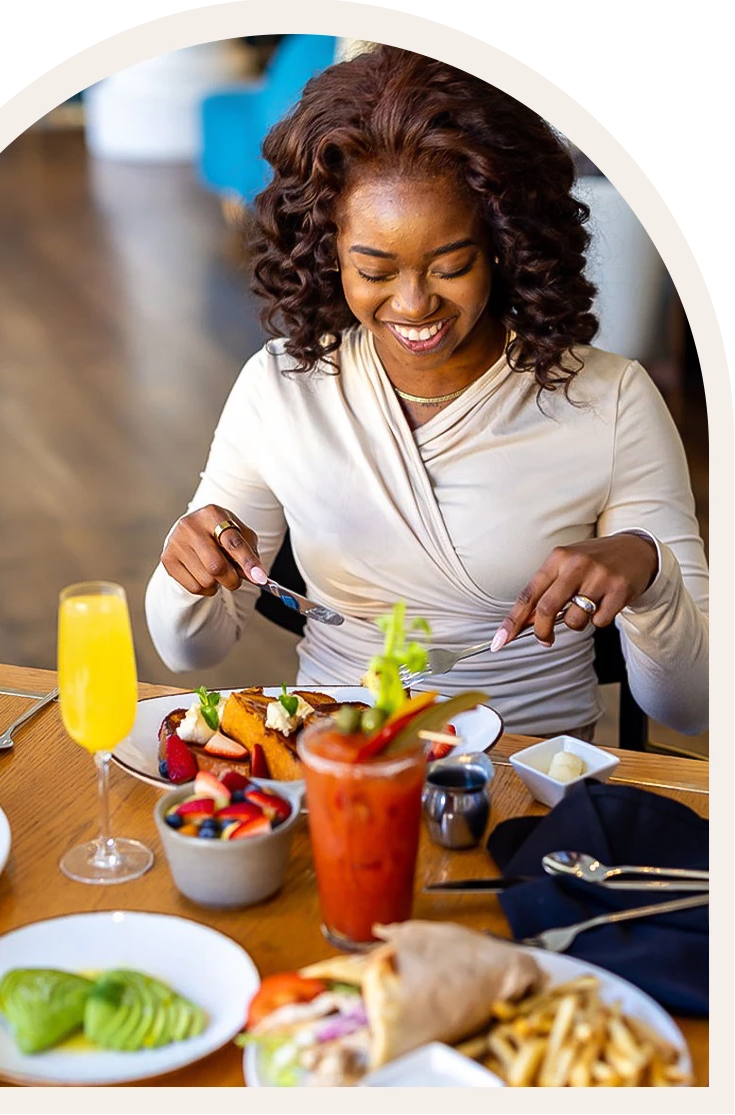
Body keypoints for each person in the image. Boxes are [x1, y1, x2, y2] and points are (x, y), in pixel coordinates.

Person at [145, 45, 708, 739]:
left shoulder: (610, 400)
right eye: (374, 270)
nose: (413, 304)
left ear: (505, 243)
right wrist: (186, 569)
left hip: (522, 789)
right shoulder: (280, 388)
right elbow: (191, 648)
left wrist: (651, 574)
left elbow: (693, 704)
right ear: (327, 251)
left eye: (451, 265)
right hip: (333, 769)